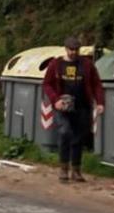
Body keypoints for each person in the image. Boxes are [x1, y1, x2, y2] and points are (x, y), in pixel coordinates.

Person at [41, 37, 105, 183]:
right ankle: (64, 168)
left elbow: (96, 84)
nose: (73, 53)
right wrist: (55, 100)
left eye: (76, 50)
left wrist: (100, 102)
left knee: (78, 137)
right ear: (66, 49)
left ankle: (76, 170)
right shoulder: (56, 65)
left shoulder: (87, 65)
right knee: (65, 132)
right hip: (63, 107)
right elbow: (47, 84)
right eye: (71, 50)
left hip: (82, 106)